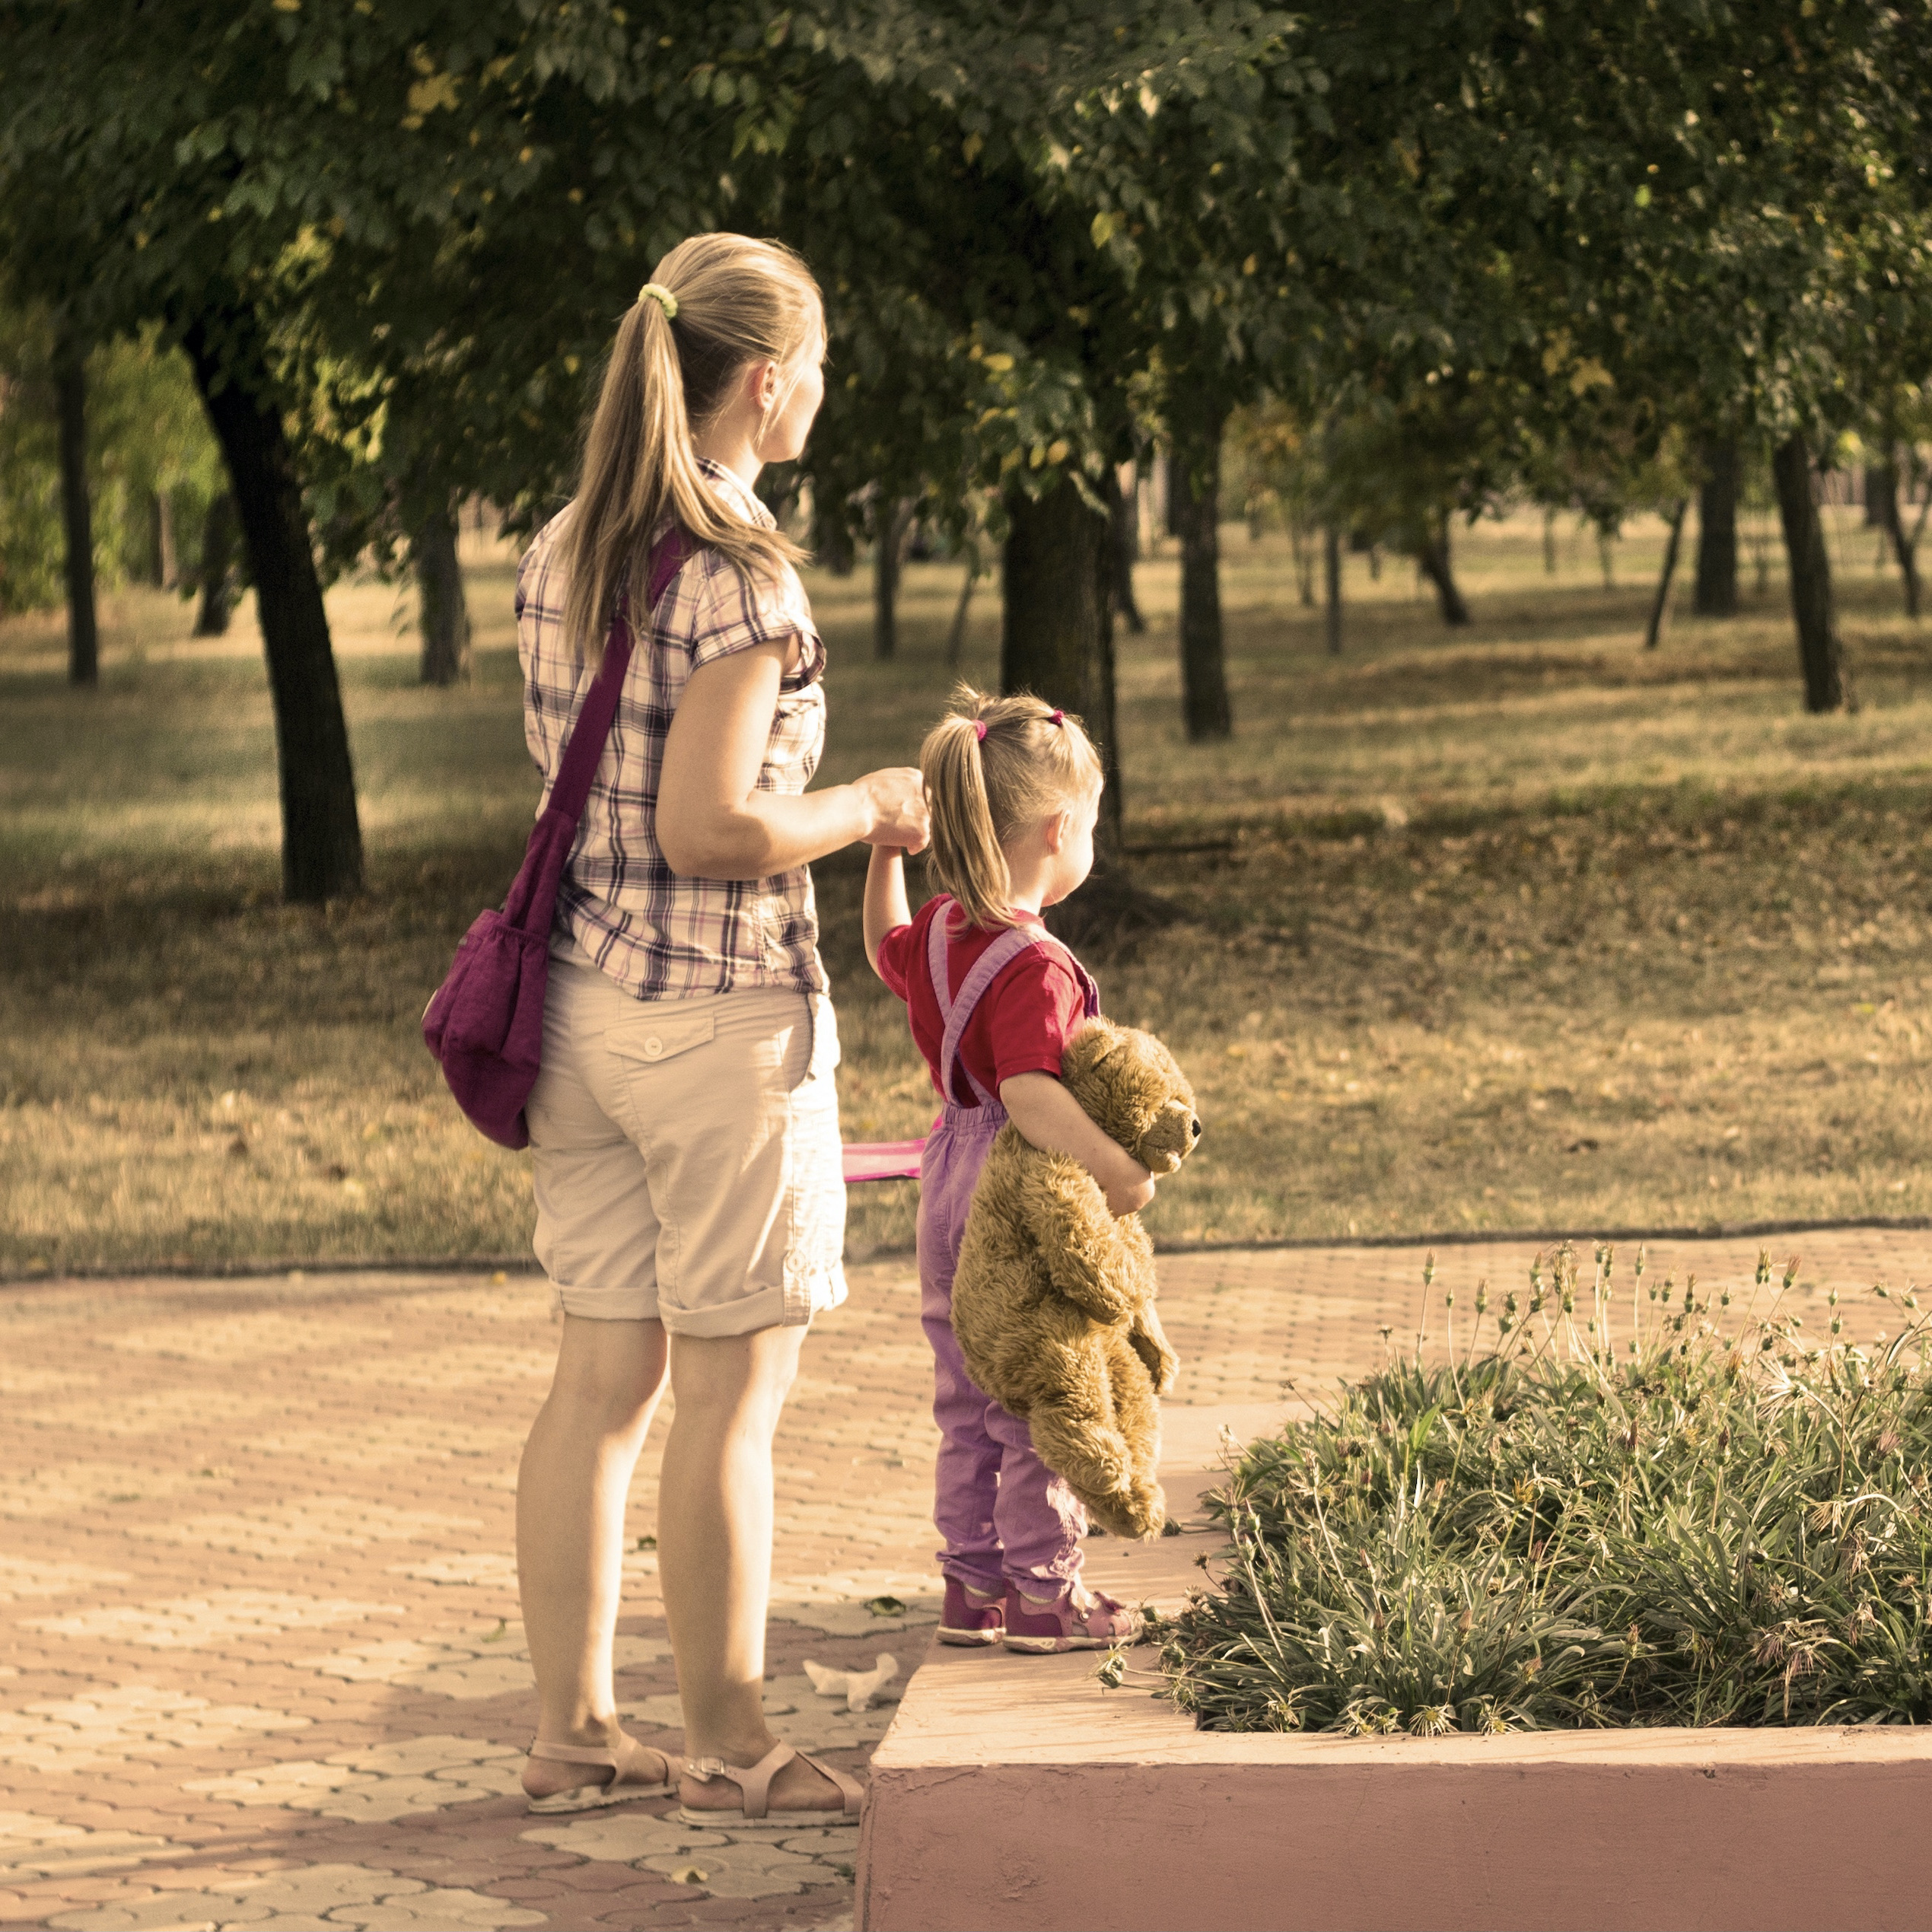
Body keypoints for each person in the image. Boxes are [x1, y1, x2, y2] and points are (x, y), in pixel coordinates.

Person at [511, 233, 928, 1825]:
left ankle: (571, 1734)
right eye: (815, 368)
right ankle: (739, 1743)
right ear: (765, 382)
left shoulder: (567, 545)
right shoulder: (742, 580)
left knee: (596, 1382)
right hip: (715, 1029)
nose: (822, 392)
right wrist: (868, 804)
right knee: (728, 1395)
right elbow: (710, 827)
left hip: (576, 1016)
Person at [863, 689, 1150, 1652]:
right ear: (1061, 828)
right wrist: (1115, 1168)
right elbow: (1031, 1094)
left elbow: (879, 948)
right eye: (1093, 826)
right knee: (1037, 1386)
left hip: (942, 1172)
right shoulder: (1039, 965)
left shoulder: (944, 925)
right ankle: (1045, 1593)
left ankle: (970, 1586)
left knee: (965, 1398)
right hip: (1012, 1191)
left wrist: (883, 859)